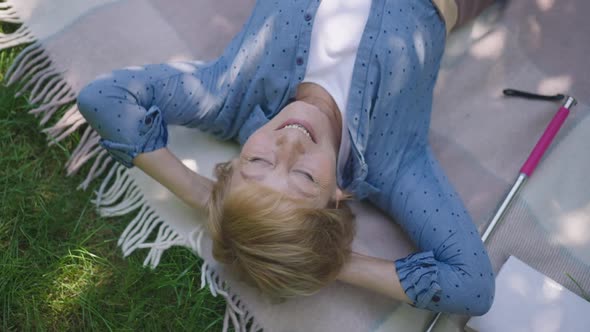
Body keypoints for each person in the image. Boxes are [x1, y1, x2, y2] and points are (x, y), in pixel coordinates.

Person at [77, 0, 496, 315]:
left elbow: (103, 98)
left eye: (256, 165)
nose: (288, 146)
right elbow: (472, 287)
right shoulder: (395, 164)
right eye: (304, 179)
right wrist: (326, 261)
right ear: (336, 197)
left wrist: (204, 197)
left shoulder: (227, 94)